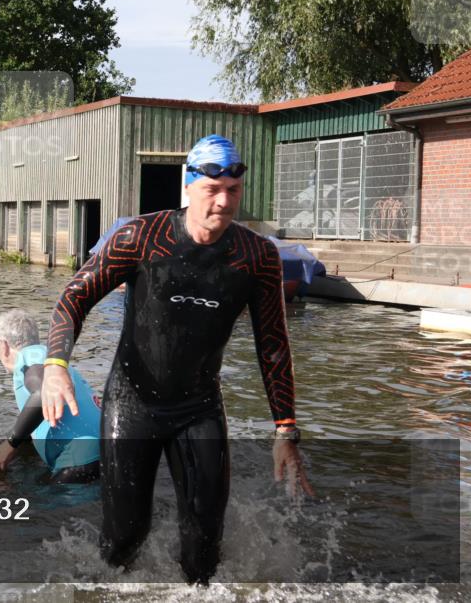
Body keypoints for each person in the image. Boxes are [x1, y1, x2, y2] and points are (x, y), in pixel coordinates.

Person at [40, 134, 312, 584]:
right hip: (133, 403)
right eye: (212, 190)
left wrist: (285, 429)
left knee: (205, 547)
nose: (224, 202)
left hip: (199, 408)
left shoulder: (256, 256)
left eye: (234, 191)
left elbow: (274, 344)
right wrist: (56, 367)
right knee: (126, 536)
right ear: (188, 187)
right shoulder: (141, 237)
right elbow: (74, 297)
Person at [0, 310, 100, 484]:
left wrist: (10, 444)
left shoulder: (27, 360)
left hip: (81, 459)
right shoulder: (51, 358)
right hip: (107, 450)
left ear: (3, 346)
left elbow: (43, 393)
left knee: (33, 509)